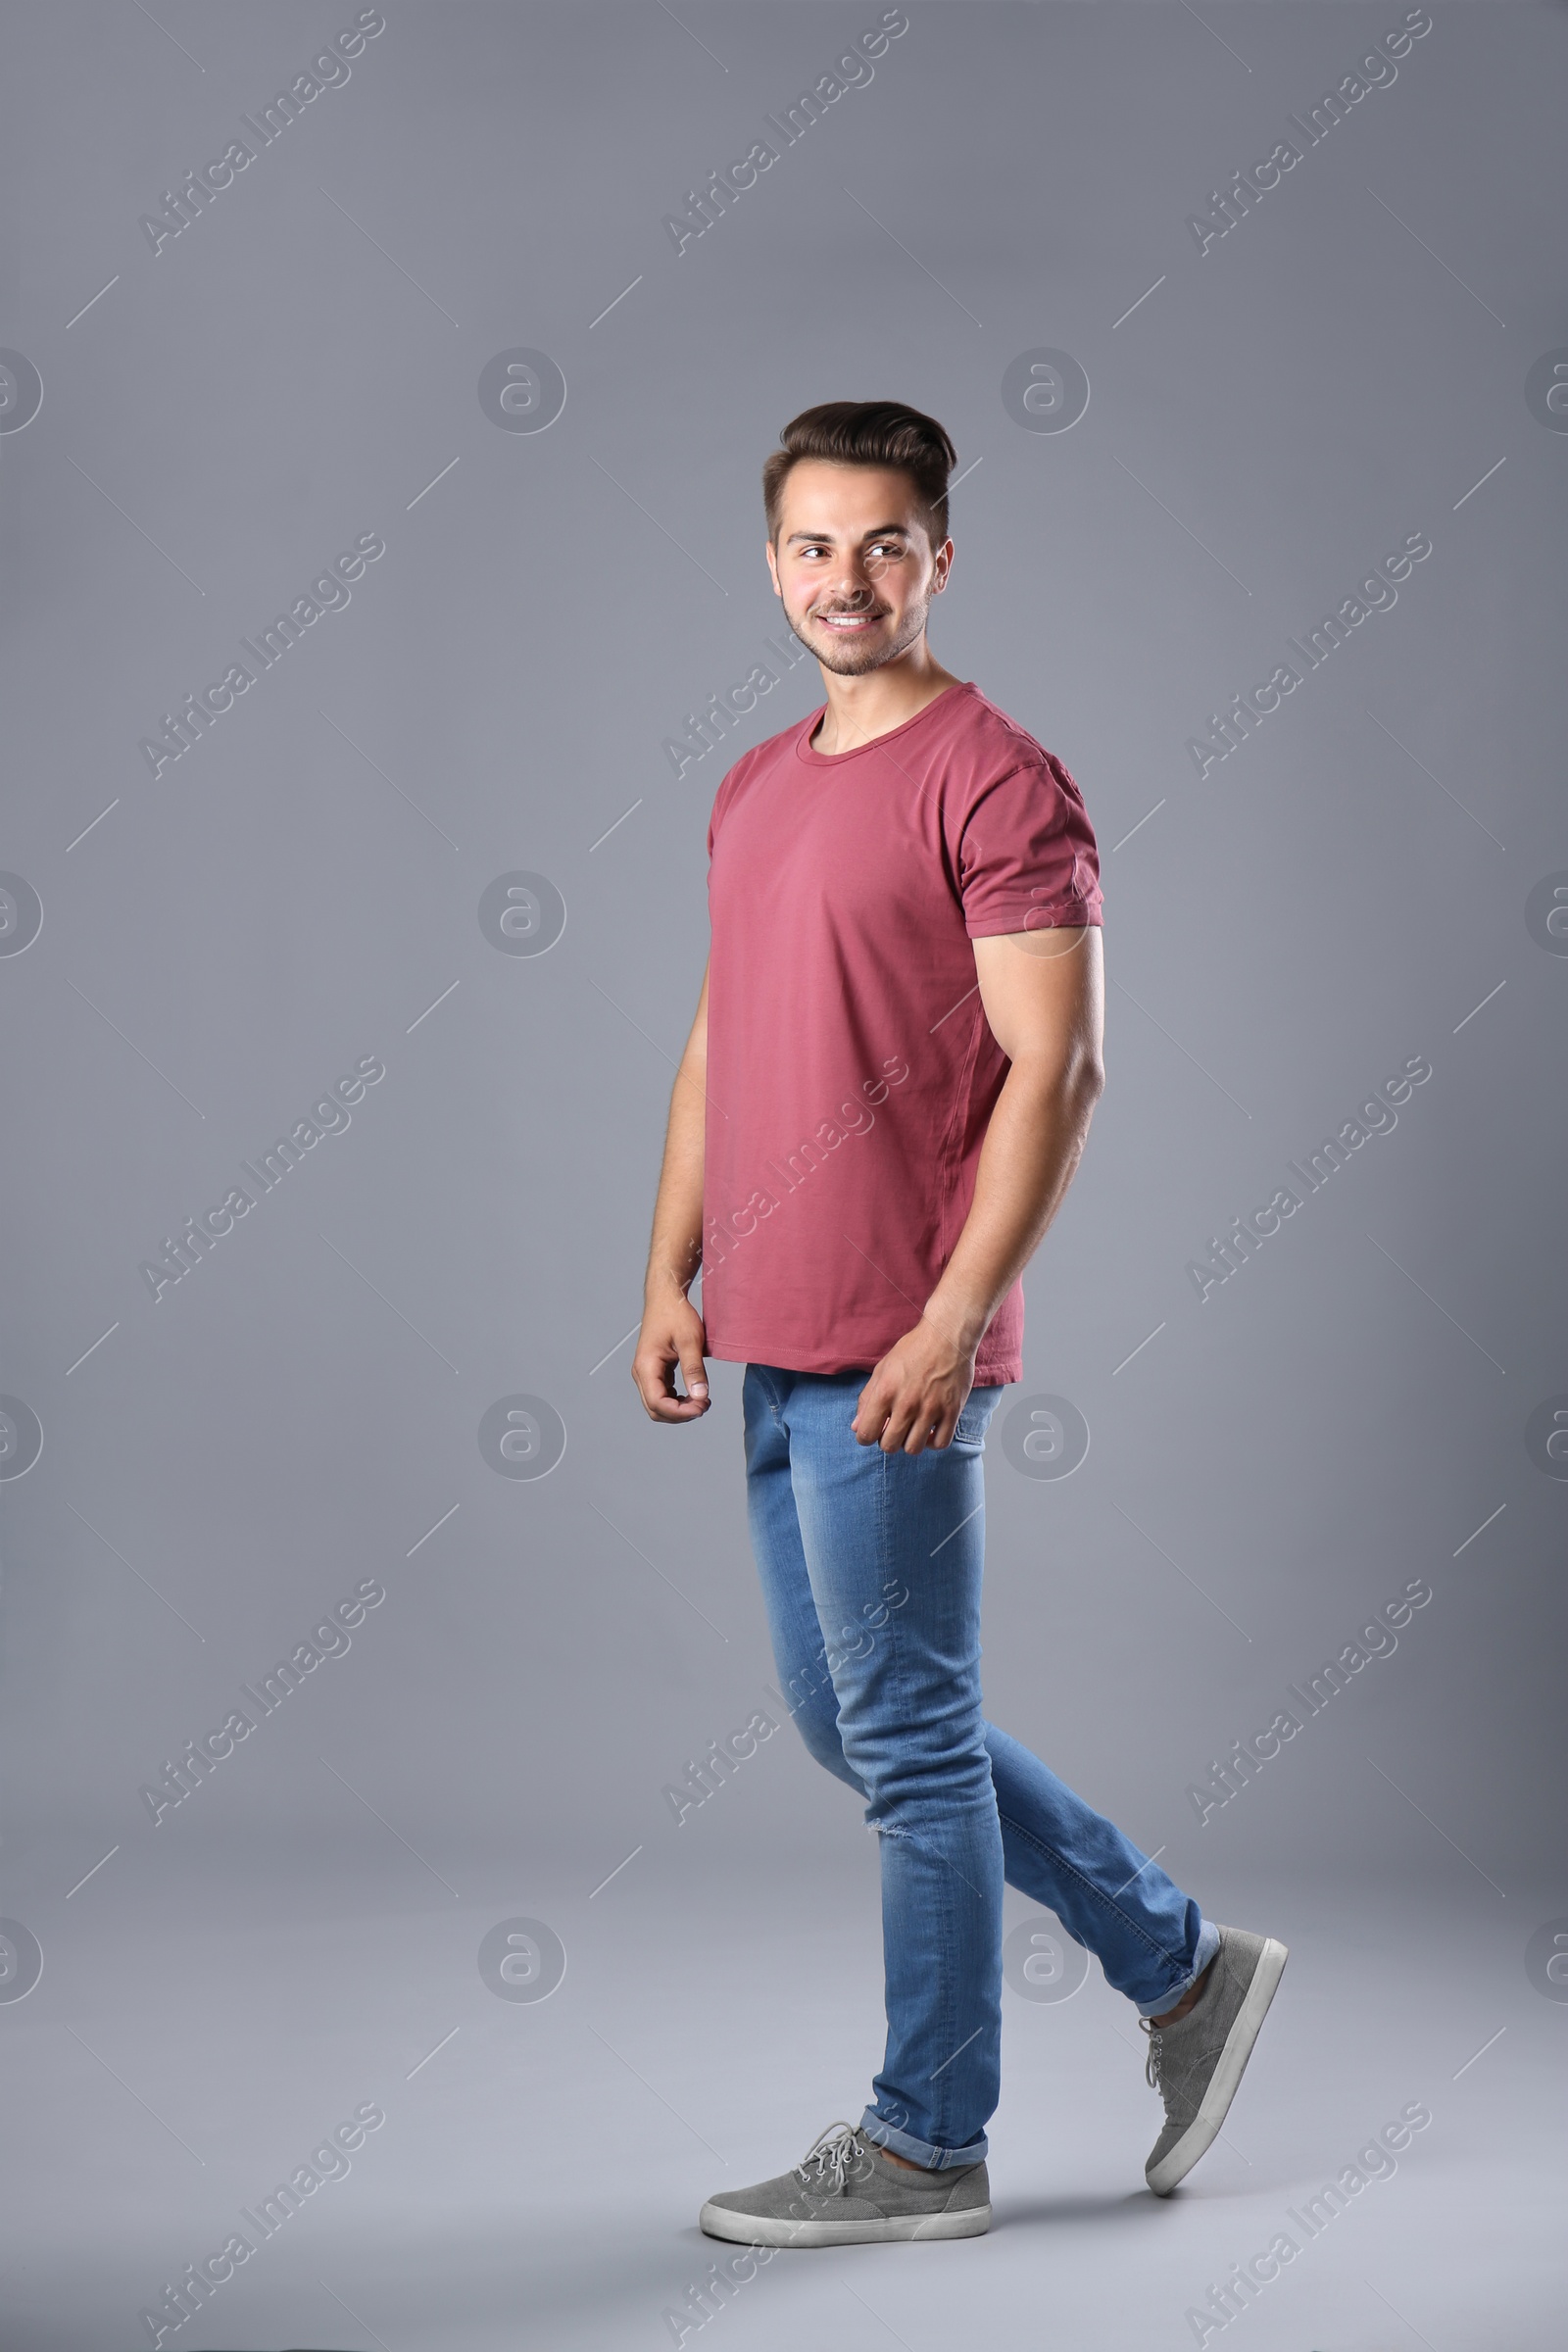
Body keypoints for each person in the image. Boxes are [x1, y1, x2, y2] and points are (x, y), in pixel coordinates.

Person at [631, 401, 1285, 2249]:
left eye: (886, 544)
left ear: (941, 556)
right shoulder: (756, 784)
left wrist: (954, 1316)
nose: (848, 579)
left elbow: (1058, 1071)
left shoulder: (1001, 782)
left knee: (906, 1742)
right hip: (765, 1330)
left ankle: (929, 2142)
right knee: (863, 1729)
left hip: (896, 1342)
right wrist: (665, 1270)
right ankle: (1179, 1961)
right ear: (773, 565)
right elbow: (714, 1041)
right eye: (815, 547)